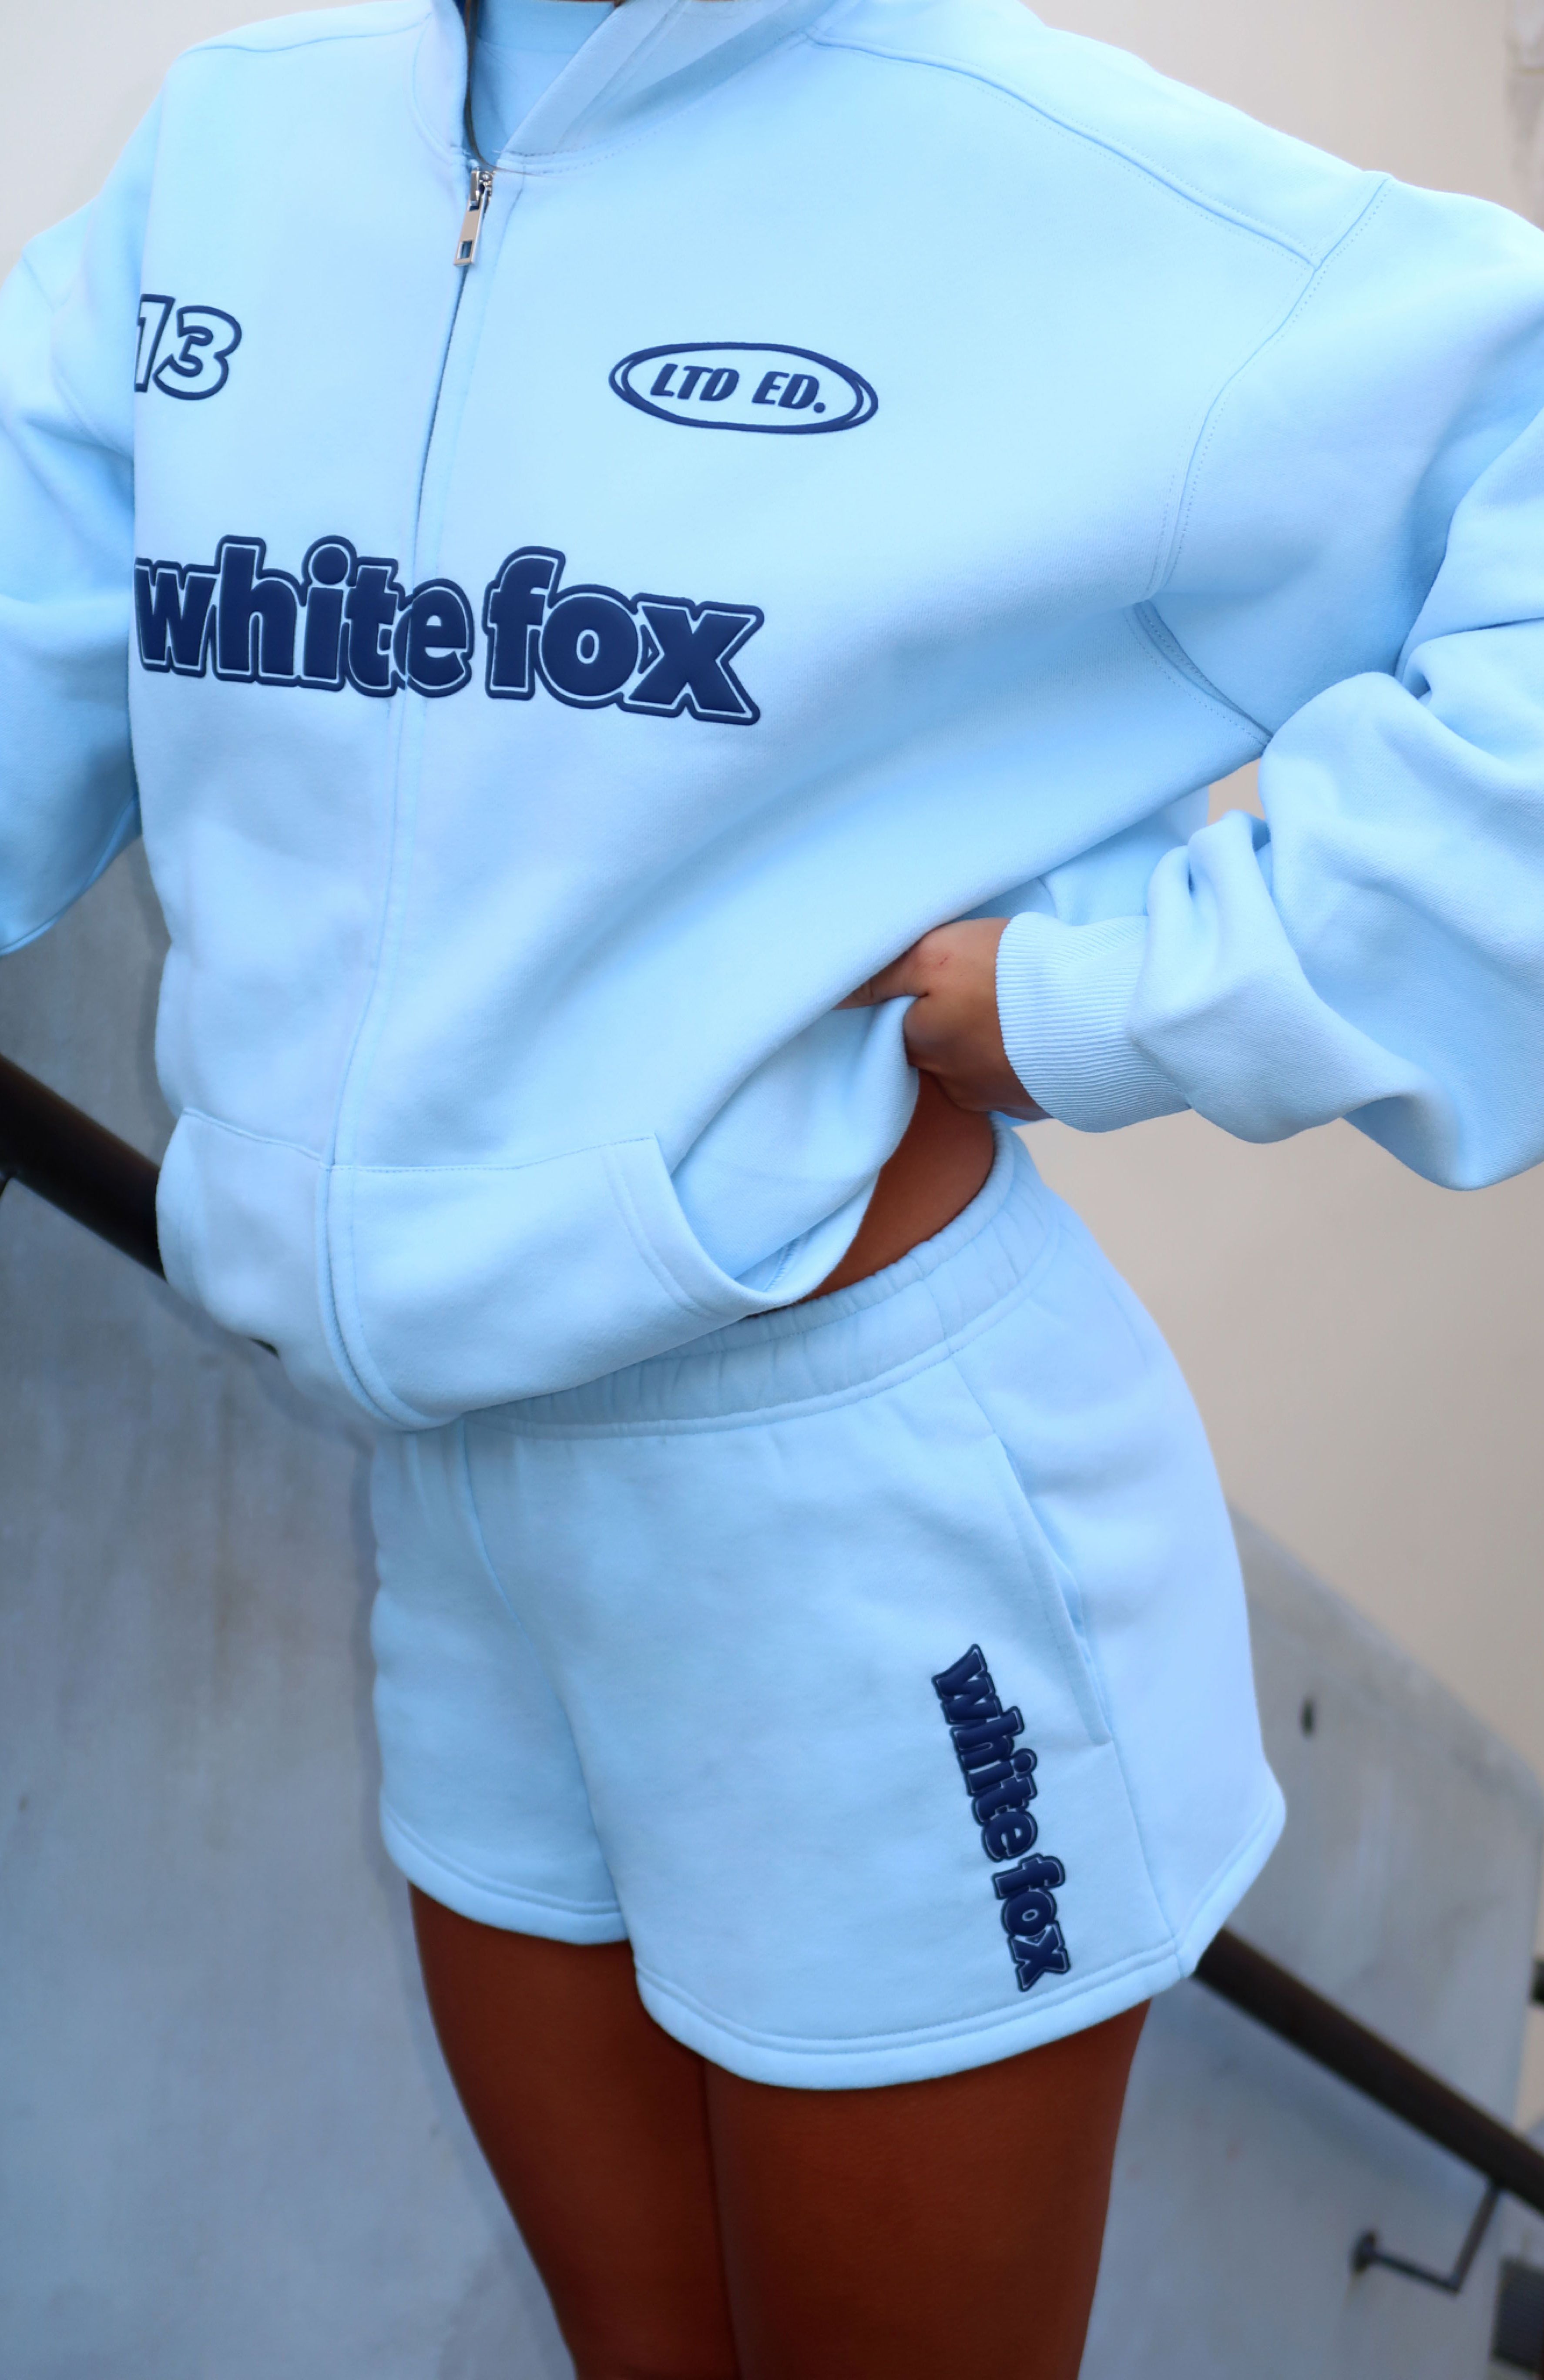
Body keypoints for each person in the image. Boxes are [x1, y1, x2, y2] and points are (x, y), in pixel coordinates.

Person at [5, 0, 1544, 2368]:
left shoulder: (1040, 170)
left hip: (871, 1530)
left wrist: (1125, 995)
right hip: (454, 1507)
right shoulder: (236, 151)